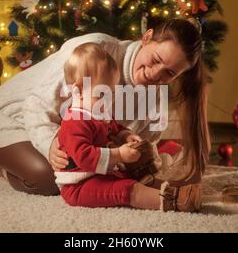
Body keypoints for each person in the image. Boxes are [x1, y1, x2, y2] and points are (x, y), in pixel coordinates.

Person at [0, 19, 210, 198]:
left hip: (71, 135)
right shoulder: (94, 50)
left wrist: (134, 150)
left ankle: (28, 161)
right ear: (147, 37)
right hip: (12, 117)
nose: (155, 74)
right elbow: (37, 104)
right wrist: (49, 145)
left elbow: (143, 142)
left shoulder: (154, 93)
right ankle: (6, 168)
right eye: (156, 59)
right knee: (55, 179)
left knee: (91, 174)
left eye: (169, 73)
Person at [56, 43, 201, 212]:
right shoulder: (74, 121)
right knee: (126, 189)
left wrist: (126, 135)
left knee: (136, 176)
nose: (108, 101)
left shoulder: (97, 112)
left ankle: (171, 189)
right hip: (79, 185)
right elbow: (85, 156)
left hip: (102, 174)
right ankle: (174, 201)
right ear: (79, 91)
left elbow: (115, 127)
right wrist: (119, 154)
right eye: (102, 94)